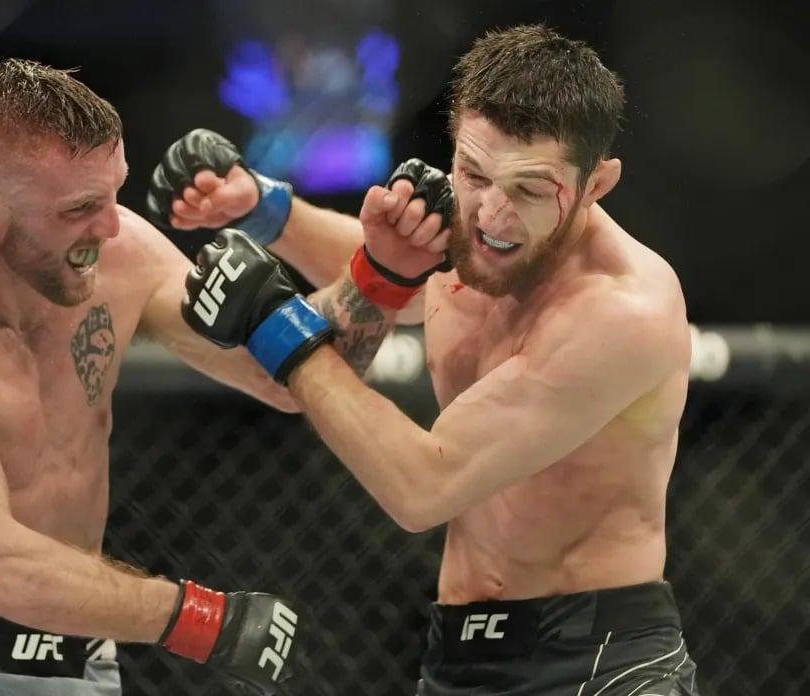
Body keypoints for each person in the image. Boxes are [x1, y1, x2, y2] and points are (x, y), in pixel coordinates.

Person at [0, 58, 424, 696]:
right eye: (80, 208)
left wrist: (380, 276)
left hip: (89, 666)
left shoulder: (120, 251)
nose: (108, 226)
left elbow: (284, 380)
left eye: (114, 192)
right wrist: (204, 621)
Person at [147, 24, 701, 695]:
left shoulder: (620, 313)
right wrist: (263, 207)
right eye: (472, 174)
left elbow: (423, 488)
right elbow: (404, 270)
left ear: (595, 183)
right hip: (456, 658)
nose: (491, 215)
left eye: (529, 190)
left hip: (604, 664)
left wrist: (273, 324)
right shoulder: (484, 240)